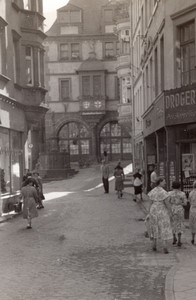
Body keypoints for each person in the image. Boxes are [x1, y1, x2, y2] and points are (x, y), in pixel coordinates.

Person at [148, 177, 173, 254]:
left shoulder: (152, 191)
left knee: (154, 226)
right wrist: (170, 212)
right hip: (162, 210)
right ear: (160, 182)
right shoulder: (164, 192)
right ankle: (164, 246)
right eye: (164, 181)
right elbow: (167, 203)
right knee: (163, 226)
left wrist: (149, 212)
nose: (165, 183)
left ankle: (154, 245)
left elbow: (150, 203)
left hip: (153, 209)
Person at [168, 181, 187, 247]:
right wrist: (179, 203)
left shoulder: (169, 193)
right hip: (179, 209)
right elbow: (185, 203)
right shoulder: (182, 194)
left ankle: (174, 237)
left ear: (172, 186)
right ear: (179, 186)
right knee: (180, 224)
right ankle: (179, 240)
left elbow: (168, 203)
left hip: (172, 209)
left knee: (172, 223)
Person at [188, 180, 196, 245]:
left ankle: (193, 238)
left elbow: (189, 201)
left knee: (193, 224)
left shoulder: (191, 193)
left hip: (192, 209)